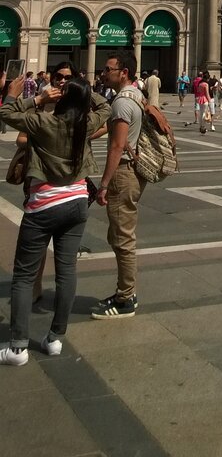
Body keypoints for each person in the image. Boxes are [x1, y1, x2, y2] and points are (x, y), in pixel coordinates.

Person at [0, 70, 111, 365]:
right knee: (66, 272)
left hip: (45, 206)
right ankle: (55, 339)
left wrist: (34, 95)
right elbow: (107, 107)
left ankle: (18, 347)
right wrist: (84, 91)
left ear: (61, 98)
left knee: (24, 277)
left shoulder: (43, 121)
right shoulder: (85, 124)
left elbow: (6, 112)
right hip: (77, 202)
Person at [91, 50, 147, 318]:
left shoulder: (122, 102)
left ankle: (126, 298)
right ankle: (125, 292)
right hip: (131, 170)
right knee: (119, 234)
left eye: (108, 69)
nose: (104, 73)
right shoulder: (135, 96)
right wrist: (91, 134)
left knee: (123, 237)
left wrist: (103, 184)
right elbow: (115, 129)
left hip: (124, 171)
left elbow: (117, 145)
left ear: (123, 72)